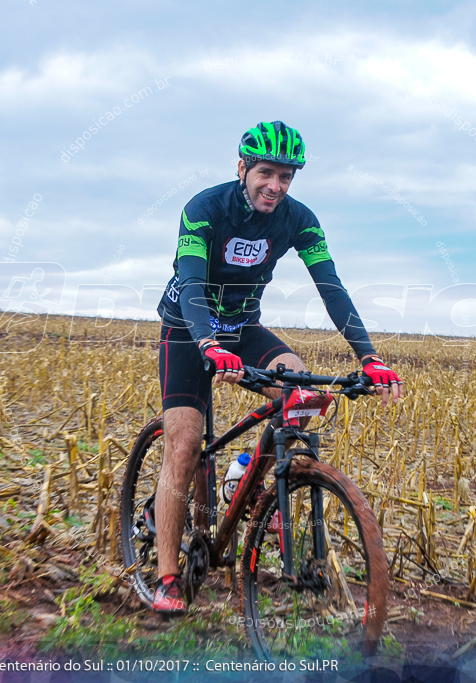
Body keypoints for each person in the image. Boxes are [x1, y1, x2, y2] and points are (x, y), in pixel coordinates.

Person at [150, 121, 404, 615]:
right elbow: (193, 283)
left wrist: (368, 356)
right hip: (188, 328)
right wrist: (207, 342)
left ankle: (247, 473)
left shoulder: (298, 220)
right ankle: (166, 578)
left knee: (301, 389)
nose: (275, 186)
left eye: (286, 177)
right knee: (183, 444)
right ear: (242, 168)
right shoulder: (203, 210)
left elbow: (330, 286)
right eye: (266, 173)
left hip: (243, 327)